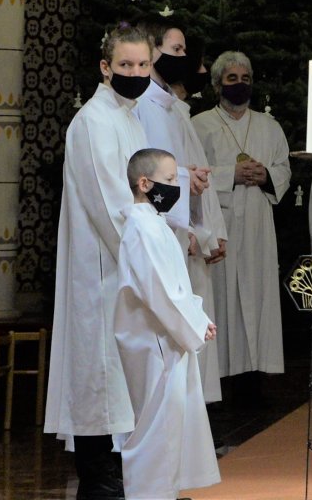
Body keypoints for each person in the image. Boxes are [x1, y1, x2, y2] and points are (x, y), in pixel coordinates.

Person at [46, 21, 152, 499]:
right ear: (105, 67)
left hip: (127, 267)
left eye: (143, 64)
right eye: (126, 64)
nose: (135, 72)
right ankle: (99, 480)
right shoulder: (92, 120)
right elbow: (110, 204)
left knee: (122, 375)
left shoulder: (130, 115)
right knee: (98, 373)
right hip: (104, 270)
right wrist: (144, 259)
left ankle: (124, 473)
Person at [116, 148, 221, 499]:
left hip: (167, 336)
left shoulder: (154, 225)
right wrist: (192, 323)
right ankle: (149, 494)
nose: (176, 187)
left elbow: (177, 285)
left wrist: (197, 317)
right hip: (154, 340)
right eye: (170, 180)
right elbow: (158, 289)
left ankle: (166, 491)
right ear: (144, 183)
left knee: (171, 420)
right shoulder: (141, 228)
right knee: (155, 425)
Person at [133, 23, 226, 404]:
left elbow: (180, 166)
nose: (183, 58)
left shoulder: (172, 108)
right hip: (168, 228)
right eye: (175, 48)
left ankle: (192, 406)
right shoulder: (144, 106)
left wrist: (203, 227)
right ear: (153, 53)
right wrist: (186, 186)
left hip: (184, 226)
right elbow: (147, 173)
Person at [190, 51, 291, 387]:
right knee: (220, 295)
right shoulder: (200, 124)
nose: (239, 85)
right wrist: (230, 174)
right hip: (219, 222)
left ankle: (255, 374)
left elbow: (283, 169)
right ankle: (217, 378)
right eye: (232, 79)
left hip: (259, 225)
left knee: (258, 293)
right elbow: (190, 171)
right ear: (219, 84)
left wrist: (265, 174)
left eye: (245, 79)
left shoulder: (269, 125)